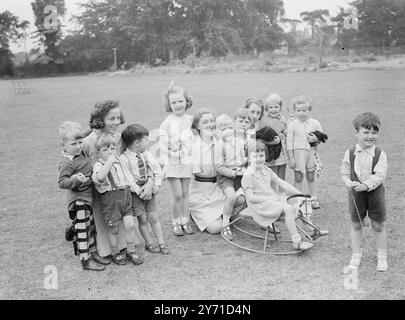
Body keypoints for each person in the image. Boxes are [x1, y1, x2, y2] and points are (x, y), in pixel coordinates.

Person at [83, 99, 150, 258]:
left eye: (118, 118)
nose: (116, 122)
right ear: (100, 120)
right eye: (111, 119)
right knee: (107, 243)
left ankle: (127, 247)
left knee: (127, 226)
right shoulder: (88, 142)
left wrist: (151, 180)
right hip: (101, 194)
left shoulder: (119, 138)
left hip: (121, 192)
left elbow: (137, 159)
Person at [241, 140, 314, 251]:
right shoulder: (248, 176)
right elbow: (251, 198)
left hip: (271, 200)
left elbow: (281, 183)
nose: (259, 159)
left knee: (297, 201)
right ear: (249, 158)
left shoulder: (266, 169)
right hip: (260, 205)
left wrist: (298, 194)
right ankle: (297, 241)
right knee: (289, 208)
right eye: (255, 156)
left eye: (261, 155)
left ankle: (312, 230)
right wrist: (269, 198)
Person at [57, 121, 109, 271]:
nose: (78, 146)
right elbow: (61, 182)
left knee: (90, 227)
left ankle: (92, 253)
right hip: (78, 200)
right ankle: (85, 261)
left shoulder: (82, 151)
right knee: (83, 231)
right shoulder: (67, 162)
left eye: (80, 142)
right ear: (63, 145)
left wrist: (90, 130)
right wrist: (74, 180)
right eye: (74, 144)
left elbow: (86, 136)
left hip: (88, 198)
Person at [341, 112, 388, 272]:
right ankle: (356, 255)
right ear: (356, 133)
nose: (370, 136)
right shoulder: (350, 153)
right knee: (356, 223)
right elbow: (345, 172)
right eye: (366, 132)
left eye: (374, 132)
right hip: (356, 194)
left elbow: (380, 175)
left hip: (374, 194)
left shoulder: (380, 154)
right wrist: (348, 182)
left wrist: (366, 185)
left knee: (378, 224)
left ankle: (382, 257)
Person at [189, 109, 245, 234]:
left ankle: (224, 214)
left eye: (212, 121)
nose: (210, 124)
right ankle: (196, 214)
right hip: (202, 193)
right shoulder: (192, 144)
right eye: (205, 122)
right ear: (197, 126)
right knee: (215, 228)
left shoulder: (221, 140)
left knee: (240, 199)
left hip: (220, 187)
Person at [92, 133, 144, 265]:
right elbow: (101, 178)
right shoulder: (98, 165)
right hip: (111, 200)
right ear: (98, 153)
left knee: (130, 224)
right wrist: (109, 161)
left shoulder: (119, 161)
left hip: (125, 196)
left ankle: (131, 251)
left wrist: (136, 189)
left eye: (111, 148)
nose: (109, 152)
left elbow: (127, 177)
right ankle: (115, 252)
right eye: (105, 149)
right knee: (113, 228)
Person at [120, 124, 170, 254]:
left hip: (150, 191)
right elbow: (128, 179)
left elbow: (157, 170)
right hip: (136, 194)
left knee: (153, 217)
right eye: (146, 140)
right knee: (142, 219)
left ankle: (161, 242)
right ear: (137, 142)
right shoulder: (124, 158)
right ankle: (150, 243)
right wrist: (140, 191)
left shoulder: (146, 154)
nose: (147, 143)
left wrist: (156, 185)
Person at [159, 83, 195, 236]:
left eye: (180, 101)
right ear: (169, 104)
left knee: (186, 193)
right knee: (178, 194)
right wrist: (174, 154)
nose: (178, 105)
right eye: (173, 102)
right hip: (172, 163)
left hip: (186, 161)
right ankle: (176, 222)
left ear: (186, 101)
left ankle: (185, 220)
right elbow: (162, 145)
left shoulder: (191, 120)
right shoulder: (167, 123)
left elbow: (197, 138)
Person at [286, 95, 323, 209]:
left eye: (304, 110)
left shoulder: (315, 123)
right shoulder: (292, 125)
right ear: (294, 111)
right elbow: (289, 143)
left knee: (311, 176)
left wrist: (316, 139)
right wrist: (291, 158)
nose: (301, 113)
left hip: (310, 153)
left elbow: (321, 137)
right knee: (298, 177)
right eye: (298, 110)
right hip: (297, 154)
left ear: (309, 110)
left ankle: (313, 198)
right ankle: (297, 199)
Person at [215, 114, 247, 240]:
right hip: (226, 176)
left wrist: (244, 164)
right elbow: (219, 167)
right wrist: (232, 173)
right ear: (217, 131)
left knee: (243, 198)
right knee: (231, 196)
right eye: (223, 129)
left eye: (229, 127)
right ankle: (225, 224)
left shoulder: (238, 142)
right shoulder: (219, 145)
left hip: (239, 174)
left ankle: (230, 214)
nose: (227, 131)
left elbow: (242, 157)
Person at [260, 93, 289, 182]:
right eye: (270, 107)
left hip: (282, 151)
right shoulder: (264, 120)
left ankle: (282, 193)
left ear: (280, 107)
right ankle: (273, 194)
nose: (273, 110)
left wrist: (286, 132)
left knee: (282, 173)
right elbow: (261, 136)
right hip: (271, 150)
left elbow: (286, 130)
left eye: (276, 107)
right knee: (273, 174)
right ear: (266, 108)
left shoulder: (282, 119)